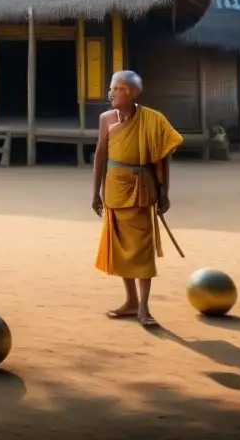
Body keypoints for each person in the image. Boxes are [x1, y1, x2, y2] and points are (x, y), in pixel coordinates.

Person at [93, 70, 183, 328]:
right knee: (121, 250)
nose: (111, 93)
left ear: (132, 92)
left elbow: (163, 156)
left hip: (142, 190)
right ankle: (131, 301)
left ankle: (144, 308)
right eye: (111, 88)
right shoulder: (106, 119)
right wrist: (95, 192)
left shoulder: (153, 120)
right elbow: (100, 156)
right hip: (114, 189)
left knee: (142, 252)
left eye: (118, 89)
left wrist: (164, 192)